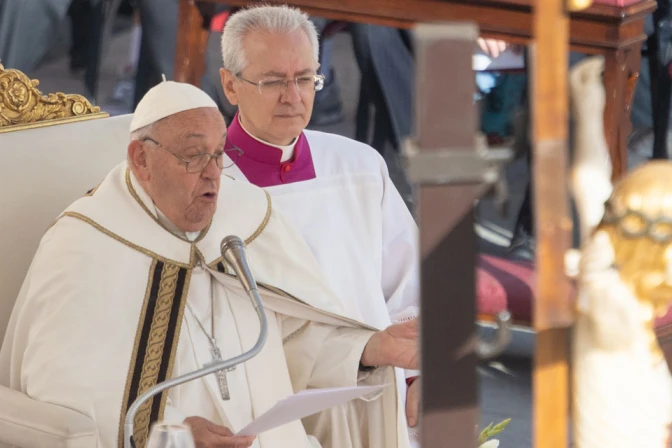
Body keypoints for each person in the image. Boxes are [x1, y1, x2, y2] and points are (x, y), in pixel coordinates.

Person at [0, 80, 418, 448]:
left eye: (219, 154)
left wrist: (368, 349)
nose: (213, 175)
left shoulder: (246, 217)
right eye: (193, 156)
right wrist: (171, 432)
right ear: (141, 159)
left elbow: (294, 339)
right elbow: (59, 392)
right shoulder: (84, 242)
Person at [216, 5, 421, 444]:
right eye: (272, 81)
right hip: (268, 408)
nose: (293, 96)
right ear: (230, 84)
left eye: (306, 78)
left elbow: (409, 284)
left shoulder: (359, 166)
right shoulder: (209, 190)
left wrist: (418, 375)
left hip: (379, 398)